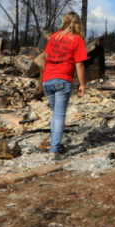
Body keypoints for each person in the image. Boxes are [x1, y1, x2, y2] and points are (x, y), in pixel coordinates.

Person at [38, 12, 88, 158]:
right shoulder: (77, 39)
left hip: (47, 79)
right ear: (78, 23)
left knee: (55, 115)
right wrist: (82, 84)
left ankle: (54, 144)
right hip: (62, 79)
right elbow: (79, 65)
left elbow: (46, 57)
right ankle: (54, 150)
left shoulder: (54, 37)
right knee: (59, 116)